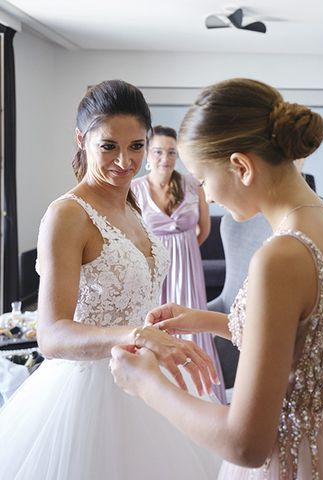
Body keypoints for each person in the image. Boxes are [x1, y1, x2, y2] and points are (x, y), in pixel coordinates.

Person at [110, 78, 323, 479]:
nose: (207, 197)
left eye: (204, 180)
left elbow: (245, 444)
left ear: (241, 167)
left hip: (299, 457)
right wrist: (207, 320)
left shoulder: (280, 257)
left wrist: (148, 384)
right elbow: (308, 343)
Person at [0, 80, 222, 479]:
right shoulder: (68, 215)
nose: (125, 161)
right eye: (109, 147)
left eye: (137, 146)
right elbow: (51, 336)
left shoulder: (132, 205)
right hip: (90, 390)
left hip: (146, 375)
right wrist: (135, 335)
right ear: (81, 140)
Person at [131, 125, 226, 403]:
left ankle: (202, 395)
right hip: (153, 272)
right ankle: (160, 396)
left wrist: (184, 252)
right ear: (148, 154)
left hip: (189, 267)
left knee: (193, 325)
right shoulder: (134, 190)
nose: (165, 157)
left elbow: (204, 229)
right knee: (158, 325)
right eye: (159, 151)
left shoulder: (192, 184)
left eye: (171, 152)